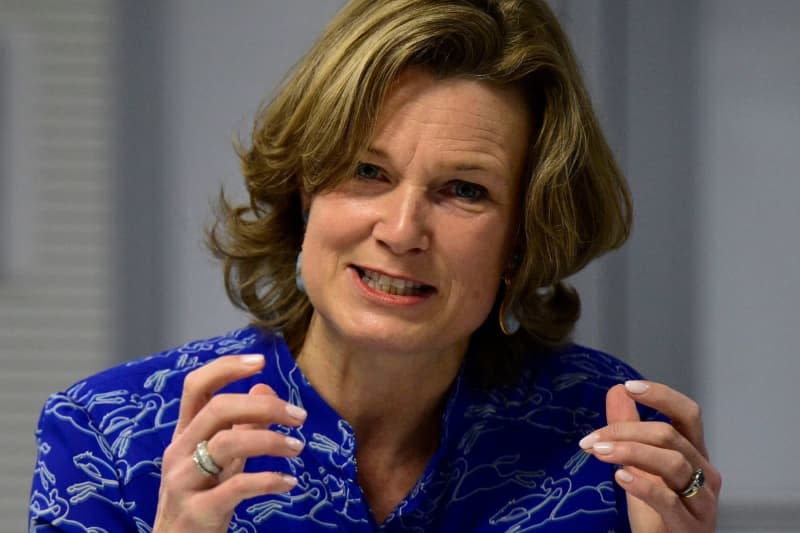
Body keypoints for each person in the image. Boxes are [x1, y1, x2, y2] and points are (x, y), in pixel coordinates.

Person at [28, 0, 720, 531]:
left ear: (523, 236)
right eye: (367, 171)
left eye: (465, 190)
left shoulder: (606, 439)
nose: (400, 230)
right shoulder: (107, 435)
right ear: (304, 194)